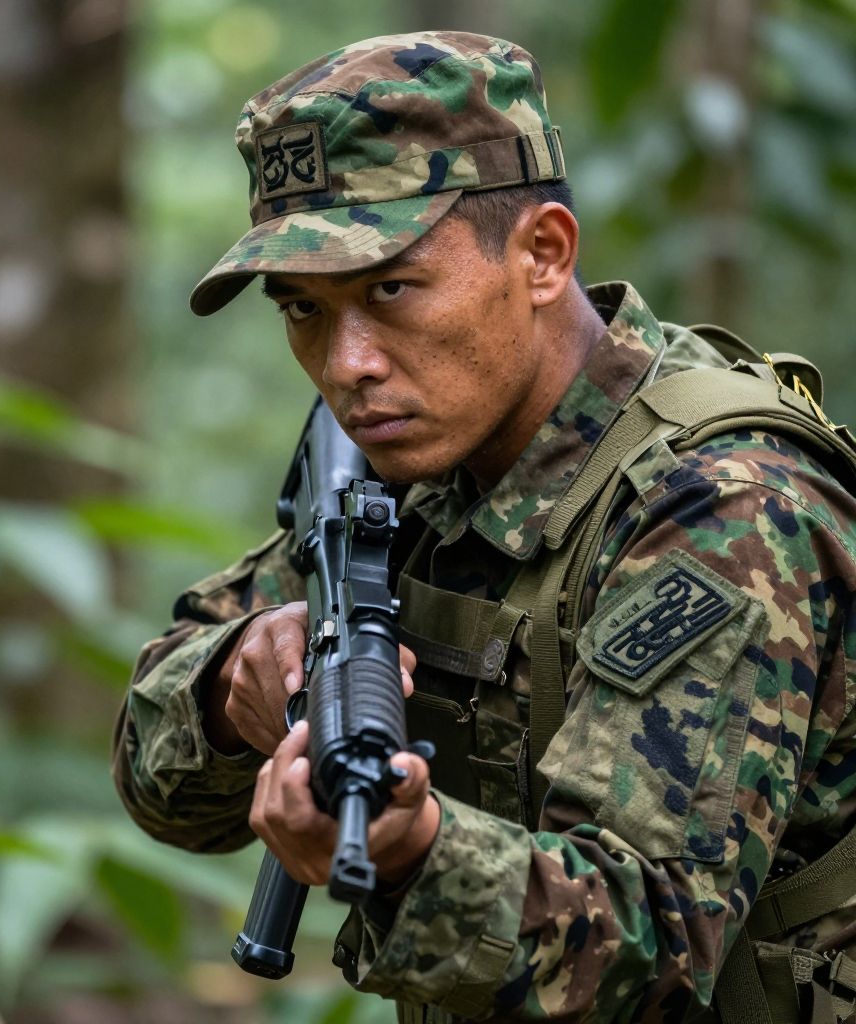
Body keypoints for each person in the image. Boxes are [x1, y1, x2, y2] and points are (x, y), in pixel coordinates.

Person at [112, 31, 856, 1023]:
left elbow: (645, 945)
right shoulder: (408, 471)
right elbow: (154, 781)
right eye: (302, 310)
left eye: (389, 289)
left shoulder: (725, 506)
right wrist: (229, 686)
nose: (347, 364)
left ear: (542, 254)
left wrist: (414, 854)